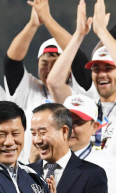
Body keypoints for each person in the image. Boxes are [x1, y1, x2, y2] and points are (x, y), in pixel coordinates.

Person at [46, 0, 116, 150]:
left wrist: (102, 31)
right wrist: (78, 35)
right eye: (96, 69)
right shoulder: (86, 102)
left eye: (108, 68)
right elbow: (54, 83)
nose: (101, 74)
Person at [4, 0, 93, 117]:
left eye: (56, 63)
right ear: (37, 65)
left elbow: (76, 56)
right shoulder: (29, 89)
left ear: (69, 67)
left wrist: (47, 19)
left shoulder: (80, 89)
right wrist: (32, 25)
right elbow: (11, 63)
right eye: (44, 63)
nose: (50, 69)